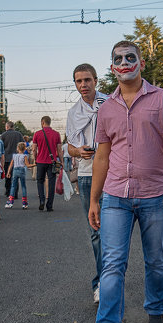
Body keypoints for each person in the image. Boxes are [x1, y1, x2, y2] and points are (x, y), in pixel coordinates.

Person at [84, 41, 163, 323]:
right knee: (112, 265)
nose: (125, 62)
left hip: (156, 195)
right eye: (119, 59)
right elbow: (101, 156)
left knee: (155, 259)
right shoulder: (107, 109)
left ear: (141, 63)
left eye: (131, 57)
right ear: (112, 67)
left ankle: (155, 309)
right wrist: (94, 200)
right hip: (116, 196)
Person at [66, 62, 108, 304]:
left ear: (96, 81)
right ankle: (101, 283)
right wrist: (78, 150)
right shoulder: (74, 112)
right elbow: (70, 146)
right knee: (96, 232)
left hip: (112, 174)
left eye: (87, 80)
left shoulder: (110, 102)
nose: (83, 85)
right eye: (79, 81)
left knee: (112, 230)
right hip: (86, 175)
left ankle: (111, 278)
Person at [31, 116, 63, 211]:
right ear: (50, 122)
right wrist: (61, 161)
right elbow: (59, 150)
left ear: (42, 122)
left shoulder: (37, 134)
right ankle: (50, 205)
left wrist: (36, 158)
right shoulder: (56, 134)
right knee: (51, 182)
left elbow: (34, 149)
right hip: (52, 162)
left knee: (40, 181)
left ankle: (41, 200)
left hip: (40, 162)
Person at [0, 121, 24, 201]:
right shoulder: (19, 134)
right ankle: (15, 193)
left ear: (7, 127)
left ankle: (8, 191)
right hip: (17, 158)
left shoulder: (3, 135)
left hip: (6, 158)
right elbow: (23, 144)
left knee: (8, 175)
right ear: (13, 127)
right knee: (15, 176)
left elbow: (0, 147)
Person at [9, 142, 29, 208]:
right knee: (23, 186)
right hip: (21, 170)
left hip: (15, 170)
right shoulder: (24, 156)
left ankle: (11, 201)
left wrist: (8, 172)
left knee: (13, 186)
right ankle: (24, 202)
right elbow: (28, 165)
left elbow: (11, 164)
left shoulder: (14, 156)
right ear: (24, 149)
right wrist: (35, 164)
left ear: (17, 148)